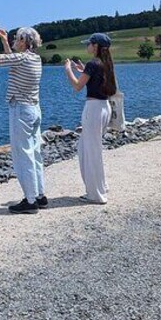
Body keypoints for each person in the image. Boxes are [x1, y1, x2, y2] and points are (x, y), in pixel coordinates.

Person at [0, 23, 45, 214]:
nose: (14, 40)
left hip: (21, 110)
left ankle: (30, 200)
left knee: (23, 155)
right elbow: (12, 59)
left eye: (17, 38)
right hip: (34, 109)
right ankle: (40, 195)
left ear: (24, 42)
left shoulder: (22, 58)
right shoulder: (34, 58)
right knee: (35, 154)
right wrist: (3, 40)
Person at [64, 33, 117, 204]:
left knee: (90, 152)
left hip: (93, 109)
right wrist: (83, 70)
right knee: (87, 149)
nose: (87, 46)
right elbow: (95, 79)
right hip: (104, 108)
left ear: (95, 46)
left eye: (89, 44)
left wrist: (68, 70)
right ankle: (101, 186)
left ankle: (96, 194)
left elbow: (77, 86)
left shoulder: (93, 64)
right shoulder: (105, 63)